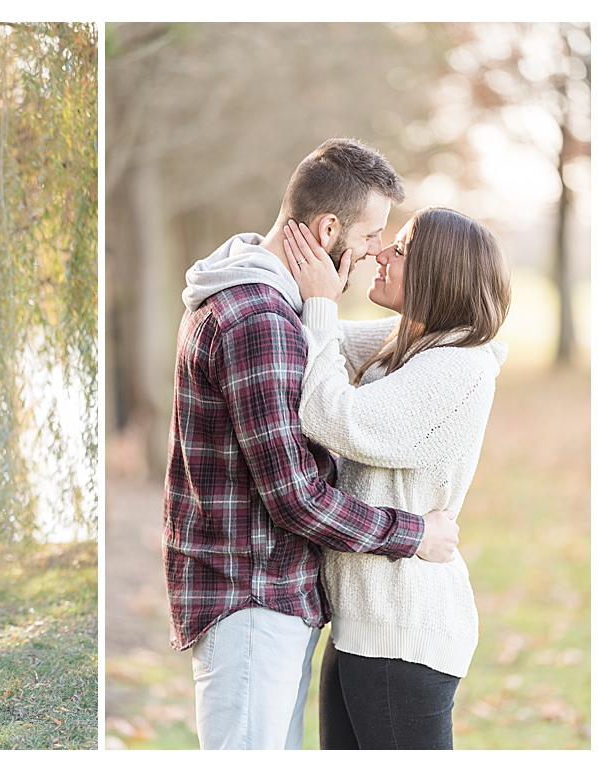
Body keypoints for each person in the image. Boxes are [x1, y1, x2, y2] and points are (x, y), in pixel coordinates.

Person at [163, 137, 461, 750]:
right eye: (373, 234)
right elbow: (295, 497)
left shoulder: (270, 304)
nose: (376, 251)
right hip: (251, 600)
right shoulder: (259, 320)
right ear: (329, 229)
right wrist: (415, 534)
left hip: (270, 596)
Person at [282, 207, 510, 749]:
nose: (381, 254)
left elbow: (334, 415)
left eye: (400, 251)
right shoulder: (408, 342)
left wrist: (320, 300)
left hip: (402, 634)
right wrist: (309, 286)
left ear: (436, 274)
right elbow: (316, 345)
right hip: (365, 624)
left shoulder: (455, 366)